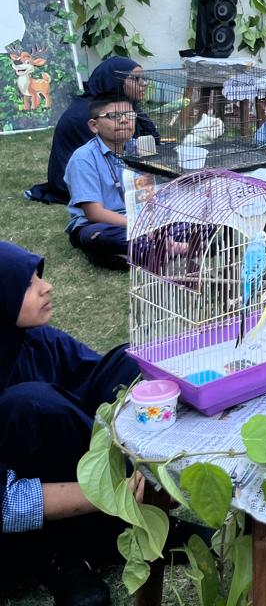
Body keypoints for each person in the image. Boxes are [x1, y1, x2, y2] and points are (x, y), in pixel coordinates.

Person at [0, 240, 142, 605]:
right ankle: (63, 556)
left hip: (78, 471)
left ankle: (140, 508)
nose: (46, 286)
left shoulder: (33, 339)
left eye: (39, 277)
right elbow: (6, 505)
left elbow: (94, 380)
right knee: (32, 404)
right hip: (20, 528)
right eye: (27, 284)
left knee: (130, 363)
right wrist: (118, 491)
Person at [25, 56, 157, 205]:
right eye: (136, 79)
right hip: (77, 184)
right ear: (115, 80)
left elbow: (151, 139)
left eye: (143, 79)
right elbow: (108, 160)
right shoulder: (87, 114)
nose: (143, 84)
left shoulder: (123, 105)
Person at [63, 97, 134, 270]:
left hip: (140, 220)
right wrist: (138, 225)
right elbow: (94, 213)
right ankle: (164, 248)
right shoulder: (83, 158)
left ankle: (142, 252)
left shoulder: (141, 149)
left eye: (130, 114)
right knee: (101, 237)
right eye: (114, 116)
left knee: (192, 226)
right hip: (99, 224)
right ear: (94, 126)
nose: (124, 120)